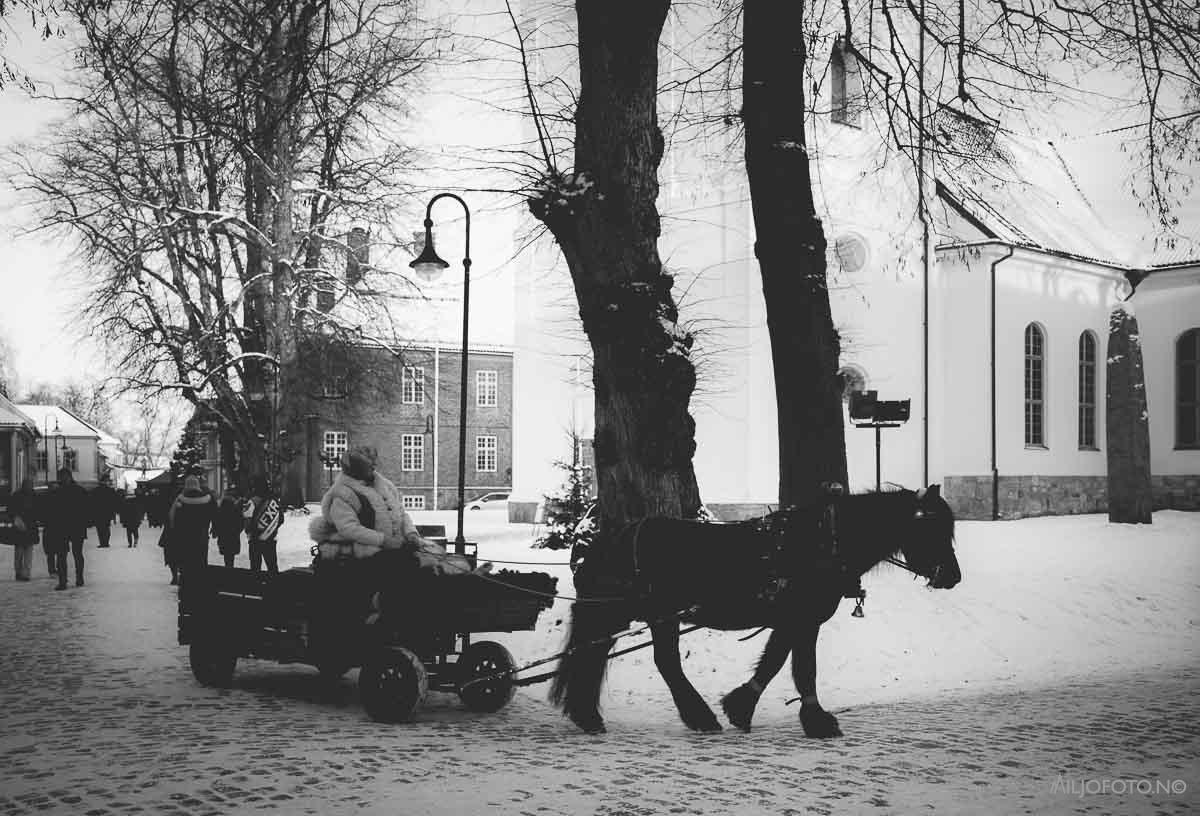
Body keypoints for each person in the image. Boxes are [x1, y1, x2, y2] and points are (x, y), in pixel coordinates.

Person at [44, 467, 91, 590]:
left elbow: (87, 509)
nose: (63, 479)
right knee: (61, 555)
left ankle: (79, 578)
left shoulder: (78, 491)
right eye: (61, 477)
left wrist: (86, 522)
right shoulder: (57, 493)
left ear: (70, 477)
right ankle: (63, 580)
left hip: (76, 526)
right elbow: (51, 512)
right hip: (62, 528)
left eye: (65, 476)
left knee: (77, 554)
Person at [168, 475, 217, 585]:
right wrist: (214, 528)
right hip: (202, 536)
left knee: (186, 561)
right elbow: (215, 514)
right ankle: (200, 581)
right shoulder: (208, 499)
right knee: (201, 559)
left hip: (184, 537)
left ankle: (187, 583)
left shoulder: (180, 499)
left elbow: (172, 517)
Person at [244, 477, 282, 575]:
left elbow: (247, 519)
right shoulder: (274, 500)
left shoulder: (252, 501)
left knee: (255, 567)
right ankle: (274, 587)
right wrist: (272, 530)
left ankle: (256, 588)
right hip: (271, 539)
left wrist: (249, 531)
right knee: (272, 567)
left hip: (255, 539)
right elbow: (281, 519)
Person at [8, 479, 39, 581]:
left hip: (27, 527)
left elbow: (11, 510)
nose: (29, 487)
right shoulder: (31, 495)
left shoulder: (18, 495)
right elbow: (11, 510)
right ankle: (21, 572)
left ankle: (24, 573)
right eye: (28, 485)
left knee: (24, 552)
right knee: (21, 552)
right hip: (23, 527)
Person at [213, 486, 244, 568]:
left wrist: (216, 532)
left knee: (227, 558)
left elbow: (217, 522)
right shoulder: (236, 509)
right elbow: (241, 523)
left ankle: (228, 571)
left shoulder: (221, 508)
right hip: (233, 537)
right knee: (231, 558)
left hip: (223, 537)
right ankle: (230, 571)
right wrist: (237, 531)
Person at [90, 473, 121, 548]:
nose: (107, 482)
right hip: (105, 512)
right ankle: (105, 542)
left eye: (108, 481)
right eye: (106, 480)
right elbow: (115, 501)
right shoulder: (109, 490)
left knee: (101, 528)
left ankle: (103, 542)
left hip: (101, 512)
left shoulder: (97, 490)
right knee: (104, 528)